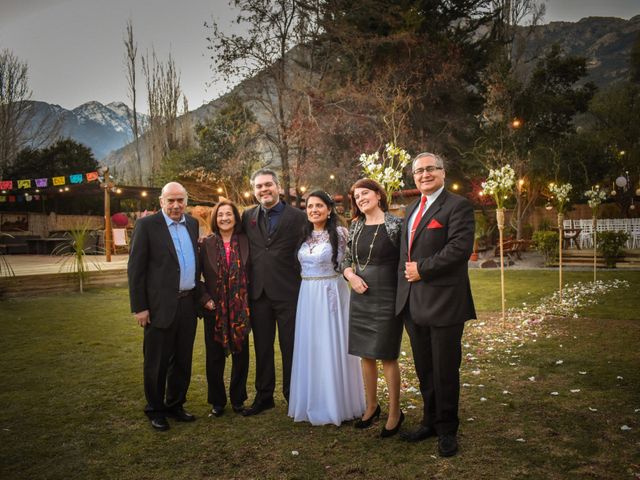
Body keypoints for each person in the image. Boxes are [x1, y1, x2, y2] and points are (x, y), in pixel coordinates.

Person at [396, 152, 476, 457]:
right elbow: (404, 254)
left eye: (430, 169)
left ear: (443, 172)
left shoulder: (457, 206)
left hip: (444, 302)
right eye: (419, 171)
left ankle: (447, 429)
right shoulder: (412, 208)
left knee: (444, 370)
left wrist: (422, 269)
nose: (424, 174)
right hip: (414, 304)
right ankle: (429, 421)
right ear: (414, 177)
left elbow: (459, 249)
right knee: (424, 368)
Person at [288, 191, 365, 426]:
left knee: (332, 344)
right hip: (308, 295)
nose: (313, 210)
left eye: (319, 205)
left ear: (329, 209)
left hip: (331, 293)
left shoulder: (341, 234)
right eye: (310, 206)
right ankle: (313, 400)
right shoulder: (304, 235)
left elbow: (350, 263)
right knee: (311, 346)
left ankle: (338, 403)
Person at [128, 182, 199, 431]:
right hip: (159, 307)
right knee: (156, 362)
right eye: (171, 200)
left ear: (186, 201)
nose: (176, 205)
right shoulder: (147, 226)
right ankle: (155, 409)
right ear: (161, 202)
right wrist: (140, 307)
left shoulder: (192, 224)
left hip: (188, 304)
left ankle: (175, 404)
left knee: (182, 359)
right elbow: (135, 270)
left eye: (180, 200)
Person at [241, 168, 307, 416]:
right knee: (262, 347)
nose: (263, 190)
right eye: (258, 186)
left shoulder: (298, 217)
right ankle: (264, 396)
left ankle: (293, 396)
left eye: (268, 185)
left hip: (289, 292)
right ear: (254, 191)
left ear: (278, 187)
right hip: (258, 294)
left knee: (290, 347)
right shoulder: (247, 217)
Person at [341, 178, 404, 438]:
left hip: (387, 295)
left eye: (365, 193)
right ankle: (371, 406)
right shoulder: (355, 226)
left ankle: (395, 413)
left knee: (387, 355)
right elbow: (345, 259)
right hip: (360, 296)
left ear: (379, 195)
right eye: (356, 196)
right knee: (365, 354)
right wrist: (350, 276)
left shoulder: (396, 225)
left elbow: (405, 261)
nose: (360, 199)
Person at [198, 200, 251, 417]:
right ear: (215, 218)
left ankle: (238, 400)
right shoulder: (206, 244)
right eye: (220, 215)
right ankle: (217, 402)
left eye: (229, 214)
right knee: (214, 357)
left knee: (241, 355)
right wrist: (205, 299)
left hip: (241, 309)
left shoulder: (247, 241)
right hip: (215, 309)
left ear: (236, 217)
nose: (225, 218)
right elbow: (196, 276)